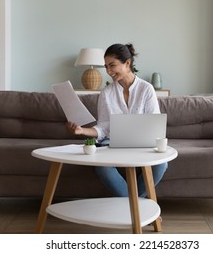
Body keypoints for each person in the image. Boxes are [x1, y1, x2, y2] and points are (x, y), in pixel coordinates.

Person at [66, 43, 167, 197]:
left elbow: (154, 123)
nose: (108, 71)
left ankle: (133, 207)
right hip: (112, 143)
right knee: (102, 167)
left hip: (142, 144)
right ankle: (137, 209)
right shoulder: (106, 93)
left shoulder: (146, 89)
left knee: (161, 165)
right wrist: (82, 130)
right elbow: (103, 128)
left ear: (127, 63)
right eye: (106, 66)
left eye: (112, 65)